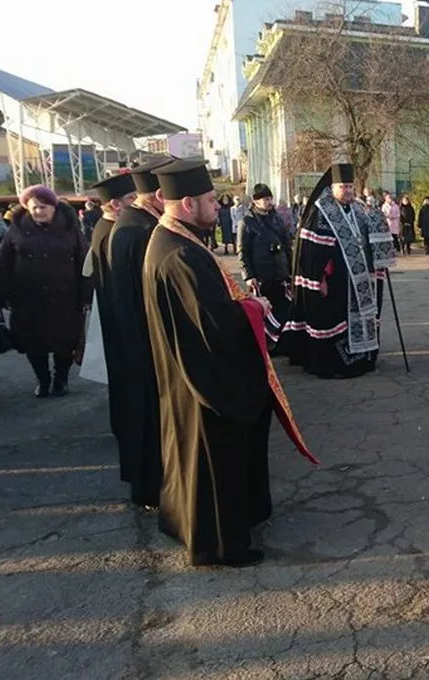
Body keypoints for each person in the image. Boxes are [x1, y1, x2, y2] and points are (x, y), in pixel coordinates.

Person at [142, 158, 314, 567]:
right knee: (212, 462)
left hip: (193, 373)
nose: (217, 207)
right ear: (187, 203)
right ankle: (220, 546)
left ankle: (214, 522)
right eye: (209, 200)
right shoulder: (177, 254)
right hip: (202, 381)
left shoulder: (179, 239)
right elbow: (211, 321)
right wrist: (253, 308)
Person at [284, 163, 397, 379]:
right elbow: (313, 254)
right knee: (336, 319)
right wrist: (320, 279)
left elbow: (370, 236)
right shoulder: (321, 212)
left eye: (350, 186)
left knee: (362, 317)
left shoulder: (358, 209)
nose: (347, 191)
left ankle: (363, 357)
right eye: (343, 187)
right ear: (332, 187)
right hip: (336, 282)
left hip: (362, 280)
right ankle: (336, 363)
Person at [105, 157, 171, 508]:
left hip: (134, 340)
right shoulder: (140, 231)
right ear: (158, 195)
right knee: (148, 420)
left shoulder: (132, 223)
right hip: (144, 344)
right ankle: (152, 488)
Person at [0, 185, 89, 397]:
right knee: (33, 344)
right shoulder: (16, 229)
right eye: (34, 208)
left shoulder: (70, 228)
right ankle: (43, 379)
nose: (38, 211)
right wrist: (3, 295)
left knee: (65, 343)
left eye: (43, 207)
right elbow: (3, 263)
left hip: (64, 297)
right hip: (28, 299)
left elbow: (84, 262)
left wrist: (85, 295)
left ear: (53, 207)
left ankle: (61, 379)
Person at [89, 172, 137, 436]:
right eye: (131, 198)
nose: (136, 203)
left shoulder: (105, 227)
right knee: (123, 375)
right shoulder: (112, 232)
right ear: (115, 204)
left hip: (112, 312)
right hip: (118, 316)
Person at [237, 183, 293, 352]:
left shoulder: (276, 219)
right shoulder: (247, 222)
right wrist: (248, 275)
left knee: (283, 308)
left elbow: (287, 245)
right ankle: (267, 344)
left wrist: (290, 270)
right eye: (265, 199)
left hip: (280, 272)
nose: (269, 202)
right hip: (261, 274)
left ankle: (282, 342)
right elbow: (242, 251)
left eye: (270, 198)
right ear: (255, 201)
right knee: (265, 310)